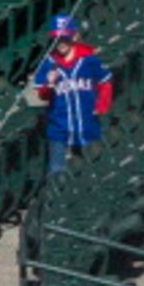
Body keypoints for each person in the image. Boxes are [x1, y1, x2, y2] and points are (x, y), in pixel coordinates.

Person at [28, 13, 112, 181]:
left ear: (74, 36)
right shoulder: (48, 63)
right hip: (59, 125)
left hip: (87, 124)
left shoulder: (88, 59)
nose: (61, 44)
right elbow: (42, 95)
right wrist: (49, 85)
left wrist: (101, 106)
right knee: (56, 170)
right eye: (57, 39)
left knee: (91, 169)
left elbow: (105, 82)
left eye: (65, 38)